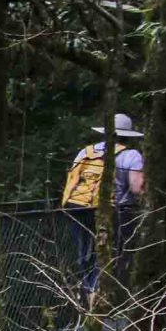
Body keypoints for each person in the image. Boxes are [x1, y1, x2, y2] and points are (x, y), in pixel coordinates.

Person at [60, 113, 145, 300]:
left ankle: (90, 299)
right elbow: (137, 187)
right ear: (128, 135)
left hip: (77, 208)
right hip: (112, 212)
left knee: (86, 255)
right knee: (110, 256)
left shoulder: (86, 152)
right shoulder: (131, 155)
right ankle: (102, 303)